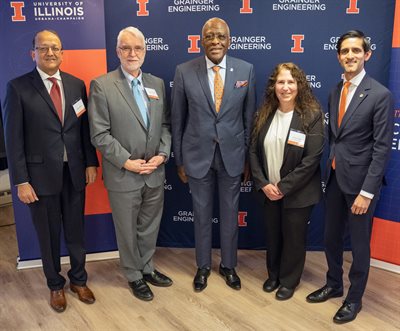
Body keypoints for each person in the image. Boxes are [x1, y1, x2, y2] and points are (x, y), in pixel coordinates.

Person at [3, 30, 99, 312]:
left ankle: (78, 280)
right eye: (43, 48)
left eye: (55, 48)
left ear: (62, 52)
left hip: (75, 173)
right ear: (33, 53)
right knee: (48, 234)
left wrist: (91, 162)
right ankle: (55, 285)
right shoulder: (18, 87)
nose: (50, 53)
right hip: (39, 177)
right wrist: (20, 180)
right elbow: (13, 139)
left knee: (76, 231)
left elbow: (83, 129)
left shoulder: (76, 85)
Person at [306, 30, 393, 324]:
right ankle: (333, 284)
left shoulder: (380, 94)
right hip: (334, 179)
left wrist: (367, 192)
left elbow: (382, 149)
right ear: (339, 56)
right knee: (330, 238)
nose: (350, 56)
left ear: (367, 55)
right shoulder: (335, 90)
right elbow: (337, 138)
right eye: (345, 51)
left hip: (361, 186)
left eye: (356, 50)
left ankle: (354, 299)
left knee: (358, 246)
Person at [171, 17, 256, 292]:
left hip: (232, 156)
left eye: (220, 36)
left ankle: (229, 265)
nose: (215, 41)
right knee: (201, 214)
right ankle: (203, 266)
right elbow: (177, 120)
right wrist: (180, 160)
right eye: (209, 36)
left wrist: (247, 159)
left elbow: (248, 120)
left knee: (231, 215)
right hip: (197, 157)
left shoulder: (246, 70)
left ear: (229, 40)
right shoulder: (184, 71)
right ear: (201, 40)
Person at [88, 27, 172, 302]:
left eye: (137, 48)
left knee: (149, 226)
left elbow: (165, 126)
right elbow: (99, 133)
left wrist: (162, 154)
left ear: (145, 51)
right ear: (117, 52)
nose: (132, 53)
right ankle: (133, 275)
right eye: (126, 48)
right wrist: (127, 162)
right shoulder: (102, 85)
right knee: (126, 228)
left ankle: (147, 268)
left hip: (154, 172)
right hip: (124, 175)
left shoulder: (157, 84)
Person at [249, 63, 324, 300]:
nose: (285, 87)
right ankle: (274, 275)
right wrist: (263, 184)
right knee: (273, 235)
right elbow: (252, 152)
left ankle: (289, 280)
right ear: (274, 86)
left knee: (293, 237)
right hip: (268, 190)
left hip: (297, 193)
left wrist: (282, 187)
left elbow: (312, 159)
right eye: (280, 82)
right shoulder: (264, 115)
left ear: (299, 85)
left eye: (291, 82)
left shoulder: (311, 116)